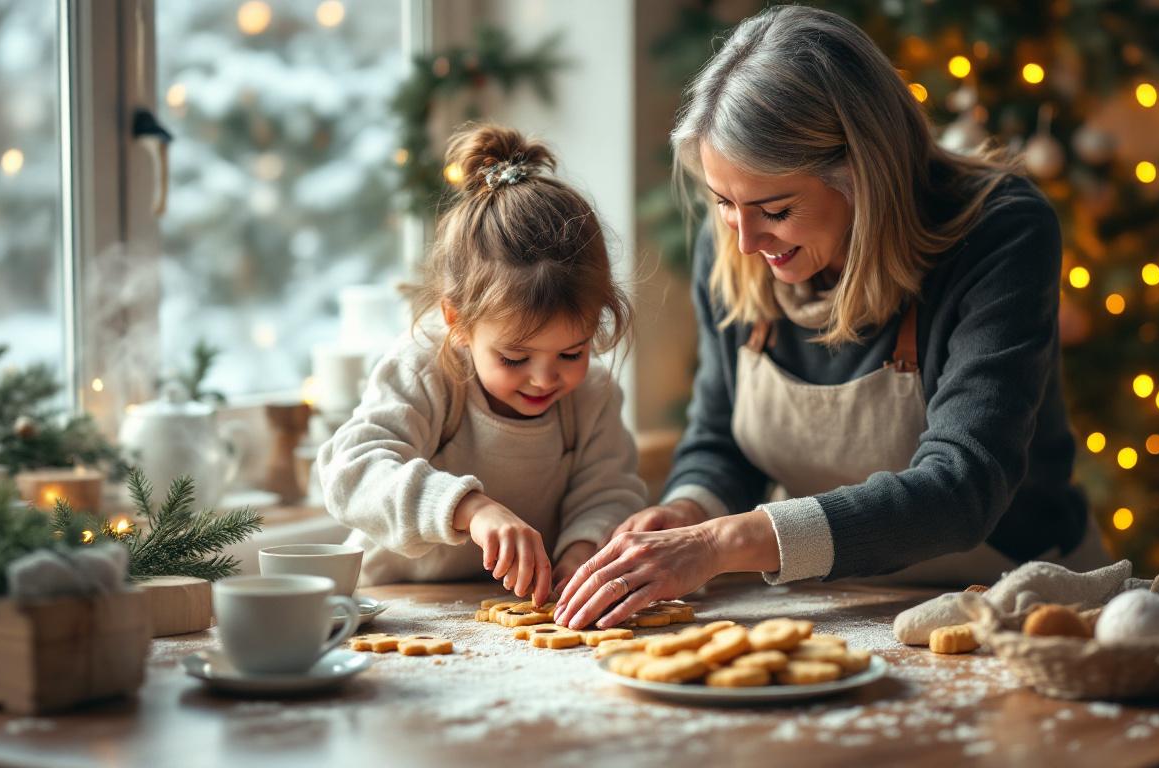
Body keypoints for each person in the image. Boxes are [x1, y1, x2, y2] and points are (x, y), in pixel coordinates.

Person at [555, 5, 1108, 631]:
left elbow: (965, 485)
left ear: (863, 175)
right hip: (831, 608)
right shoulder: (738, 239)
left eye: (776, 209)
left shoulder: (998, 232)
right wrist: (688, 511)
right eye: (723, 203)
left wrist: (721, 544)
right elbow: (720, 438)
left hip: (1017, 609)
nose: (743, 241)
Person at [319, 124, 647, 608]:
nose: (544, 377)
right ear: (458, 321)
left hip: (512, 610)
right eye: (515, 357)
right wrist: (468, 508)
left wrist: (581, 552)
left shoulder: (591, 396)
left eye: (572, 353)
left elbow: (608, 492)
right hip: (397, 605)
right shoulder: (424, 372)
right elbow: (351, 474)